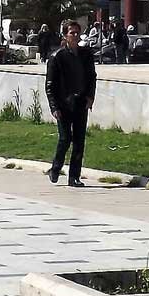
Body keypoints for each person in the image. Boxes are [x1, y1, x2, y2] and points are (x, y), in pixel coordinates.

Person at [45, 20, 98, 187]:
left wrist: (90, 96)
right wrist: (54, 107)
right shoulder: (57, 57)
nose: (75, 36)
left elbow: (92, 77)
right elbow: (50, 85)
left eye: (77, 33)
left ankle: (74, 176)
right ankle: (56, 168)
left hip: (80, 102)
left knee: (79, 140)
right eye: (71, 33)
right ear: (65, 35)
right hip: (63, 104)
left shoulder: (86, 55)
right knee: (65, 138)